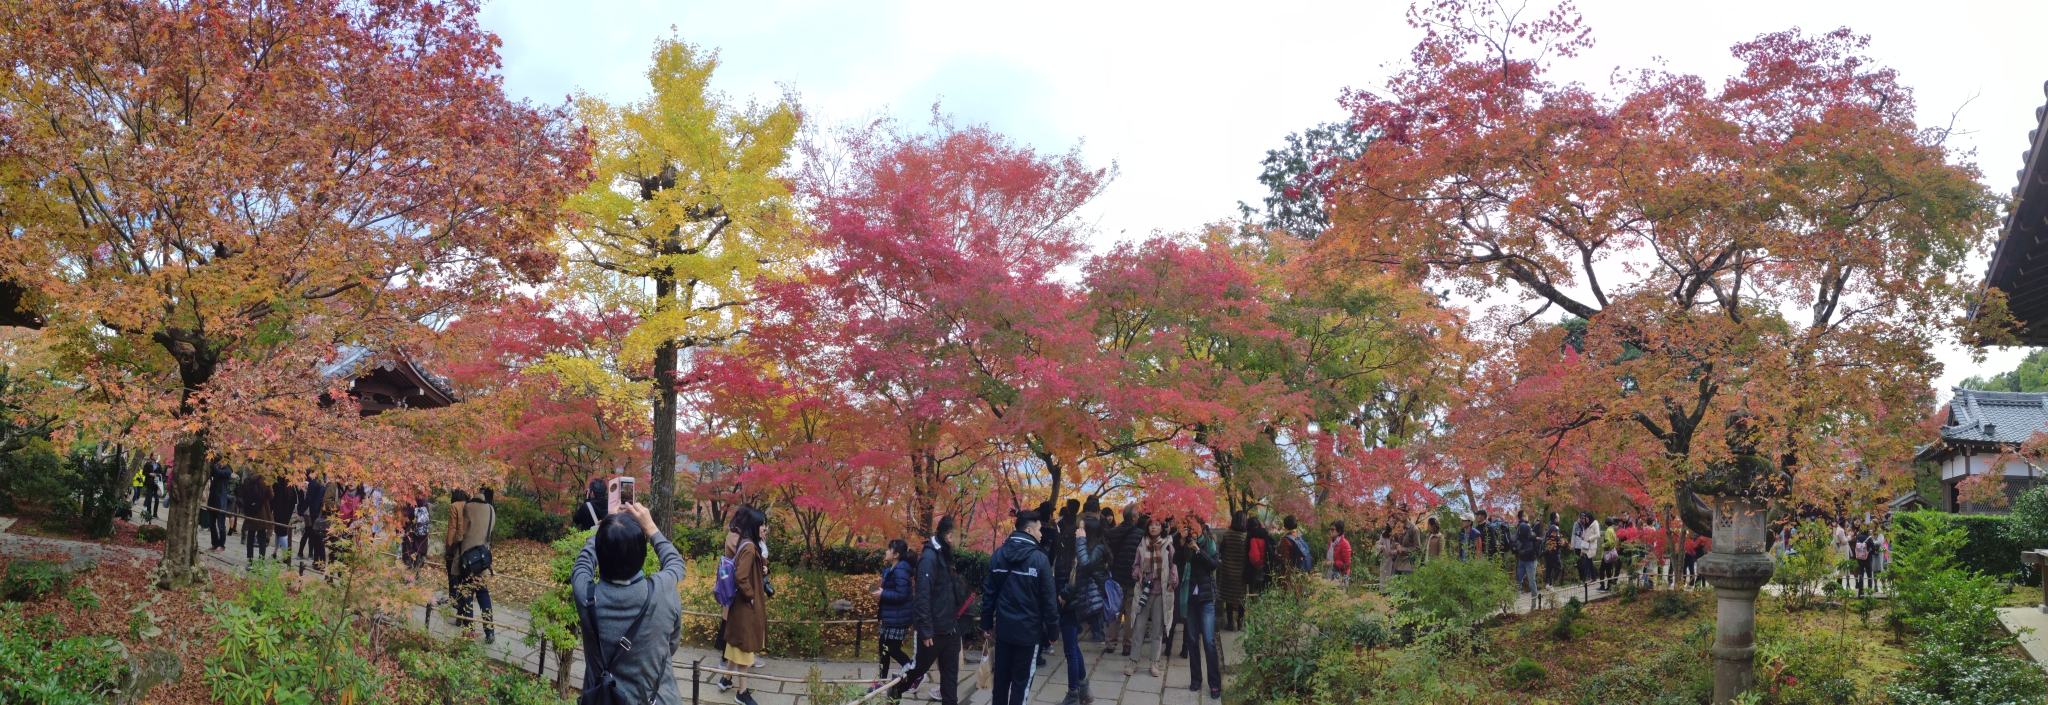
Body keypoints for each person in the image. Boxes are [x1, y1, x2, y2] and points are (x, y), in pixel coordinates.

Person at [572, 500, 686, 704]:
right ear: (642, 554)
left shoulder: (586, 596)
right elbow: (676, 563)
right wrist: (650, 528)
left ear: (599, 552)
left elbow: (582, 562)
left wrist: (604, 526)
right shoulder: (662, 591)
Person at [983, 510, 1058, 705]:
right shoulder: (1040, 560)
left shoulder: (998, 555)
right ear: (1028, 530)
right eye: (1039, 530)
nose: (1041, 534)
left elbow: (989, 592)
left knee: (1000, 682)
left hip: (1004, 631)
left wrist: (986, 624)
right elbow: (1049, 600)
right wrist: (1053, 632)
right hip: (1029, 633)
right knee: (1021, 685)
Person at [892, 516, 966, 704]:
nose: (960, 539)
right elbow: (922, 596)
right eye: (958, 535)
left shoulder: (945, 555)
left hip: (950, 629)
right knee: (917, 670)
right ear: (949, 536)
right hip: (933, 632)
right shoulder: (929, 557)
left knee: (950, 678)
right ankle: (895, 690)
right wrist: (925, 629)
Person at [1056, 512, 1107, 705]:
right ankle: (1084, 689)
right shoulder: (1086, 546)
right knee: (1072, 647)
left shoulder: (1097, 549)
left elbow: (1083, 567)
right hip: (1074, 600)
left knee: (1070, 651)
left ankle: (1073, 695)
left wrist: (1064, 594)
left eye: (1082, 528)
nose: (1078, 531)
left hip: (1077, 603)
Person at [725, 507, 771, 705]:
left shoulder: (748, 544)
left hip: (741, 606)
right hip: (746, 607)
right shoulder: (749, 547)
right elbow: (740, 576)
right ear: (754, 525)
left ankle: (725, 679)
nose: (764, 528)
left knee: (737, 643)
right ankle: (741, 693)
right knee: (744, 647)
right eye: (762, 524)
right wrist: (751, 596)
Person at [1124, 516, 1175, 678]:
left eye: (1157, 524)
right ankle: (1133, 661)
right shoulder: (1142, 544)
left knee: (1157, 629)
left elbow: (1173, 565)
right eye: (1151, 525)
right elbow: (1135, 565)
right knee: (1138, 627)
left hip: (1161, 592)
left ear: (1162, 528)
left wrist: (1172, 582)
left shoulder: (1168, 545)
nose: (1154, 527)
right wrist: (1138, 574)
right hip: (1144, 591)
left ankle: (1155, 662)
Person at [1182, 517, 1222, 700]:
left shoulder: (1209, 543)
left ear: (1201, 526)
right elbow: (1177, 561)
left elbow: (1212, 565)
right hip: (1190, 598)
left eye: (1194, 524)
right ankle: (1196, 679)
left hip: (1206, 598)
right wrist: (1181, 542)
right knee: (1192, 640)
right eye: (1188, 525)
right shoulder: (1184, 543)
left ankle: (1214, 684)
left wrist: (1197, 550)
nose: (1191, 528)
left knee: (1208, 640)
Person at [451, 488, 497, 643]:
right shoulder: (491, 509)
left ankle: (469, 630)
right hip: (482, 562)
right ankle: (489, 631)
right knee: (483, 595)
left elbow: (460, 533)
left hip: (468, 562)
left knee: (467, 594)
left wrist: (453, 544)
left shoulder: (468, 507)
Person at [874, 539, 915, 683]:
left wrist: (883, 594)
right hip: (890, 616)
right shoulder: (890, 569)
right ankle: (881, 680)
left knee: (892, 650)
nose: (886, 551)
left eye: (889, 549)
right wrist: (880, 594)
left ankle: (915, 672)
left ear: (896, 554)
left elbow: (902, 595)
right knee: (883, 649)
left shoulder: (901, 571)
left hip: (898, 617)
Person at [1106, 506, 1145, 652]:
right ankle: (1127, 645)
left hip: (1116, 576)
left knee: (1115, 609)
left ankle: (1111, 642)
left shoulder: (1113, 533)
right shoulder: (1140, 534)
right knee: (1130, 612)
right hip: (1133, 577)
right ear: (1134, 518)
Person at [1216, 512, 1247, 633]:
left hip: (1228, 570)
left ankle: (1230, 623)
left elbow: (1222, 550)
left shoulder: (1227, 534)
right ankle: (1240, 623)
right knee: (1241, 598)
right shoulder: (1246, 536)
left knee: (1228, 598)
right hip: (1241, 571)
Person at [239, 471, 273, 562]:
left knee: (250, 536)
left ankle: (249, 560)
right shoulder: (266, 480)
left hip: (250, 512)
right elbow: (271, 496)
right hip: (262, 512)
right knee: (262, 537)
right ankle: (261, 561)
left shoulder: (247, 480)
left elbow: (243, 495)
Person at [206, 460, 234, 551]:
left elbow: (217, 472)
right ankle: (215, 543)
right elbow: (211, 473)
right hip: (212, 498)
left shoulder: (228, 470)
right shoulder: (218, 468)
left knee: (221, 524)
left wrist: (213, 464)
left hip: (220, 500)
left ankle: (222, 545)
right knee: (211, 524)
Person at [1513, 511, 1540, 598]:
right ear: (1524, 516)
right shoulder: (1525, 526)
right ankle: (1534, 601)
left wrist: (1534, 525)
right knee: (1532, 583)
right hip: (1529, 559)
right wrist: (1538, 538)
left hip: (1522, 558)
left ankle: (1517, 600)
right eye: (1527, 516)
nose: (1528, 518)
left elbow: (1526, 535)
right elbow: (1531, 537)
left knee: (1519, 581)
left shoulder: (1519, 526)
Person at [402, 493, 431, 570]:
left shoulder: (408, 501)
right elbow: (428, 518)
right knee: (419, 553)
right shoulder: (424, 501)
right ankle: (416, 575)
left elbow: (405, 517)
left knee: (408, 553)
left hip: (410, 533)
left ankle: (409, 577)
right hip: (422, 533)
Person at [1573, 513, 1601, 588]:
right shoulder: (1587, 524)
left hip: (1591, 545)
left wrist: (1589, 539)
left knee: (1587, 564)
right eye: (1586, 519)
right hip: (1586, 545)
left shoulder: (1595, 524)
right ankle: (1594, 578)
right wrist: (1583, 537)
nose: (1586, 520)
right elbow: (1586, 533)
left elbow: (1598, 535)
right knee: (1590, 563)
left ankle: (1582, 580)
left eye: (1587, 519)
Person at [1243, 516, 1269, 594]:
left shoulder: (1253, 538)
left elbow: (1254, 558)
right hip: (1267, 568)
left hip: (1257, 570)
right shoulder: (1265, 535)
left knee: (1254, 594)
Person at [1542, 511, 1565, 587]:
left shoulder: (1549, 527)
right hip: (1554, 552)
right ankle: (1550, 583)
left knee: (1549, 568)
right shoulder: (1555, 528)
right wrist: (1562, 541)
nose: (1559, 519)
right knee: (1558, 568)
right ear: (1555, 519)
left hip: (1548, 551)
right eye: (1558, 517)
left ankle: (1547, 584)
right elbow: (1557, 540)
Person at [140, 456, 164, 523]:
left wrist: (157, 474)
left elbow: (162, 472)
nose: (156, 456)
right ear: (151, 456)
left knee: (157, 499)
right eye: (155, 455)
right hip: (149, 483)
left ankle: (155, 513)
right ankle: (149, 513)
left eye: (157, 455)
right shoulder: (148, 464)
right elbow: (144, 472)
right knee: (149, 499)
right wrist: (149, 474)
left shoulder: (158, 465)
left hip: (157, 484)